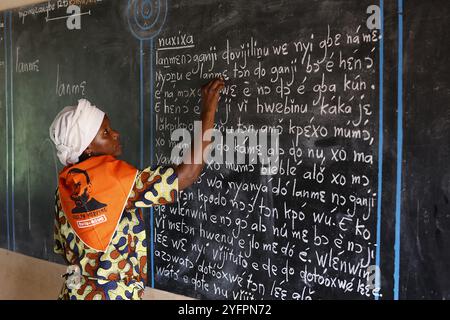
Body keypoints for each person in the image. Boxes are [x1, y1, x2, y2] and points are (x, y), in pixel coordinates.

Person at [50, 78, 225, 300]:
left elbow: (60, 248)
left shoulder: (64, 188)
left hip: (73, 292)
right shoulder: (119, 182)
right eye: (105, 132)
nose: (115, 134)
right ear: (88, 149)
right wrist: (209, 107)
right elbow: (186, 174)